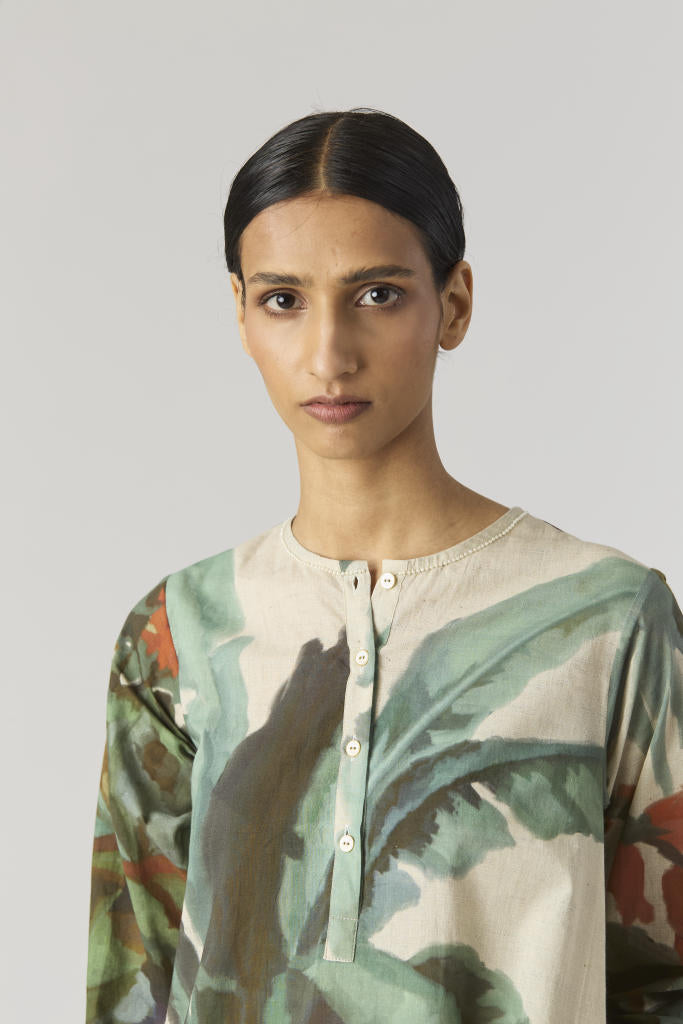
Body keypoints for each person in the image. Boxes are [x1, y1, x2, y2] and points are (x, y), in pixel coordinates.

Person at [86, 107, 683, 1024]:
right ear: (240, 313)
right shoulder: (180, 628)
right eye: (282, 299)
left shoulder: (605, 617)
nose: (328, 354)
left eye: (375, 294)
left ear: (454, 304)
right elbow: (133, 986)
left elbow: (665, 979)